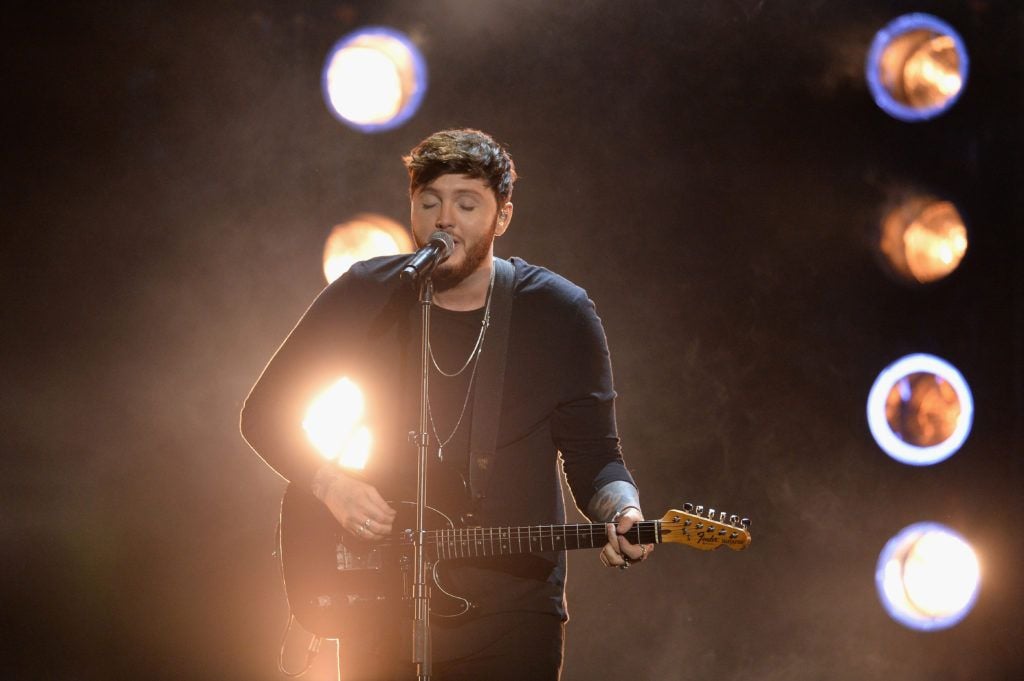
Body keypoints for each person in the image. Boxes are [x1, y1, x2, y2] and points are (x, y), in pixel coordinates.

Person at [240, 128, 652, 680]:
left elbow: (595, 453)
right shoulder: (369, 292)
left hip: (513, 609)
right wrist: (331, 485)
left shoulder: (558, 312)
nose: (444, 220)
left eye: (466, 203)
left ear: (502, 217)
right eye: (429, 202)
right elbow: (264, 412)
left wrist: (623, 509)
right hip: (378, 597)